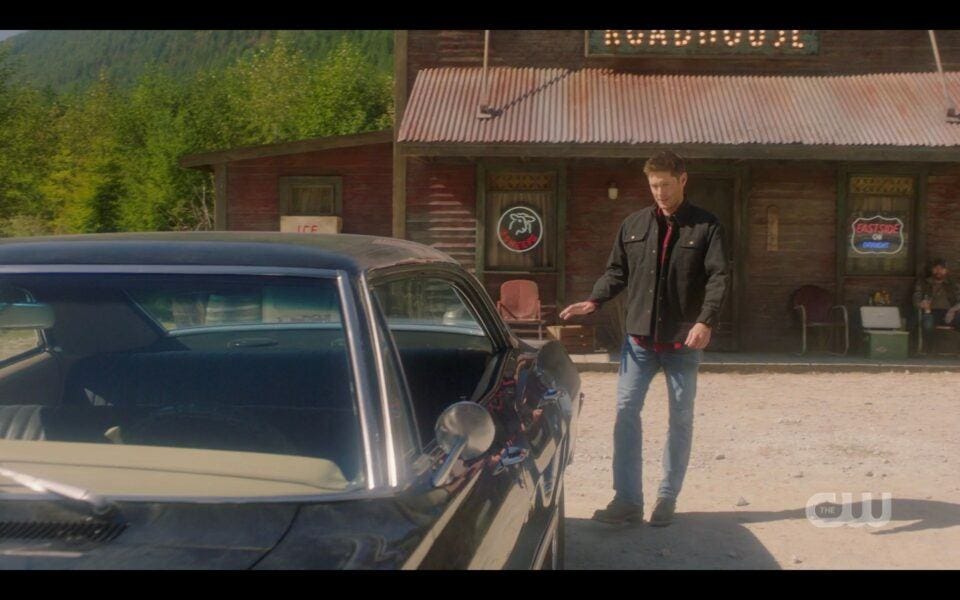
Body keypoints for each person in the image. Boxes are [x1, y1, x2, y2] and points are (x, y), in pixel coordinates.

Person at [559, 151, 730, 527]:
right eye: (654, 186)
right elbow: (616, 272)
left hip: (683, 343)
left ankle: (667, 498)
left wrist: (705, 321)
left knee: (680, 419)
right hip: (638, 342)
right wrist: (593, 300)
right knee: (625, 414)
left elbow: (718, 277)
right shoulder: (633, 224)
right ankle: (627, 501)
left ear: (682, 180)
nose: (660, 192)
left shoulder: (707, 226)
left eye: (666, 184)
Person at [913, 258, 960, 333]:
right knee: (927, 325)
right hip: (929, 312)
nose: (938, 271)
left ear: (946, 270)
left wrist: (953, 310)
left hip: (949, 312)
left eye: (942, 268)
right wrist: (922, 304)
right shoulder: (923, 283)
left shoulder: (953, 284)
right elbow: (916, 299)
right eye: (936, 268)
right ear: (932, 270)